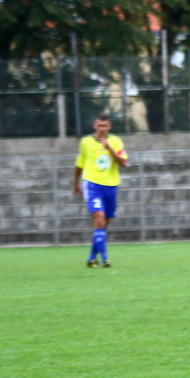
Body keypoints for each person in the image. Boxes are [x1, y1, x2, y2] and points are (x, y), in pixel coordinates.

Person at [73, 114, 128, 268]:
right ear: (94, 126)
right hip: (92, 184)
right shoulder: (85, 142)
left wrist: (109, 148)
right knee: (99, 219)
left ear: (109, 127)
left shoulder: (116, 141)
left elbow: (123, 163)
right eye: (99, 126)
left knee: (104, 223)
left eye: (105, 126)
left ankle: (91, 257)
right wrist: (75, 184)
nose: (102, 129)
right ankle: (105, 258)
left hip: (111, 185)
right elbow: (79, 164)